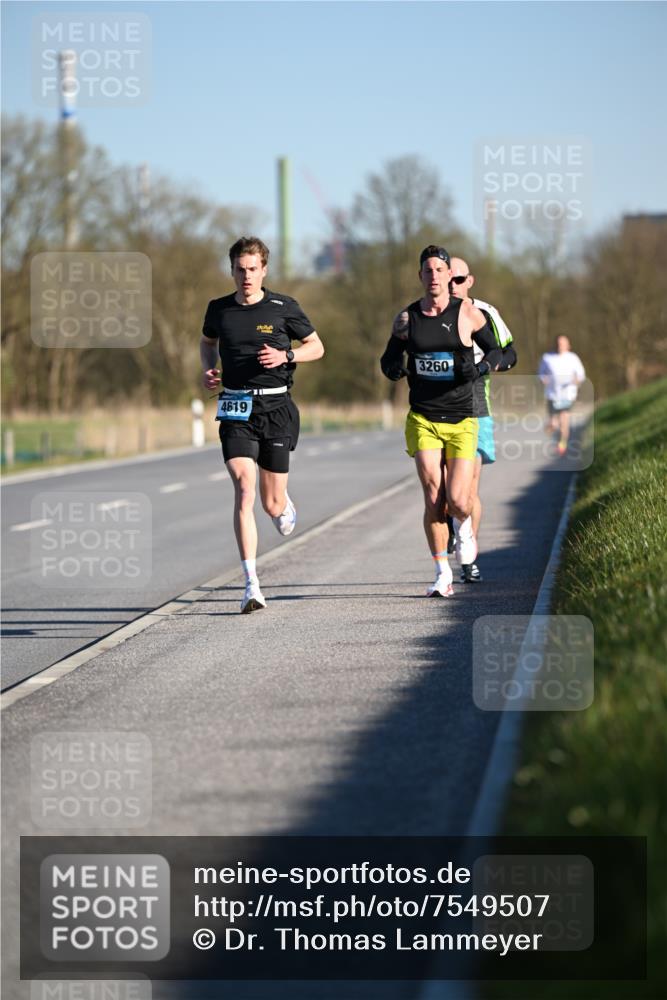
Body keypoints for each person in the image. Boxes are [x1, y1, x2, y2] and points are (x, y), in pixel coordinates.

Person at [200, 236, 324, 613]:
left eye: (253, 269)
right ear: (232, 271)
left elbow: (317, 347)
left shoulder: (283, 307)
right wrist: (209, 368)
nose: (246, 276)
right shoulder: (219, 309)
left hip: (276, 409)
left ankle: (282, 504)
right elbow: (207, 342)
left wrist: (287, 353)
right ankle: (251, 584)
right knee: (243, 487)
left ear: (264, 270)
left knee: (271, 504)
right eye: (240, 269)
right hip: (236, 408)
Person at [380, 246, 505, 598]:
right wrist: (392, 368)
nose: (433, 276)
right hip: (424, 417)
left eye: (439, 269)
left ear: (449, 275)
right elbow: (388, 358)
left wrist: (479, 368)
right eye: (427, 270)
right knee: (434, 498)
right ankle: (441, 573)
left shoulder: (467, 312)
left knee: (459, 501)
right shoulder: (407, 319)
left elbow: (496, 351)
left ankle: (463, 527)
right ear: (420, 276)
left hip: (463, 418)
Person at [447, 257, 517, 582]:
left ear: (469, 281)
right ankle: (453, 526)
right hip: (438, 401)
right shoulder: (430, 312)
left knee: (469, 488)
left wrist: (487, 366)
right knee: (446, 489)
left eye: (458, 280)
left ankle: (468, 560)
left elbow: (510, 353)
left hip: (476, 397)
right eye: (448, 279)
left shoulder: (485, 312)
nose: (452, 286)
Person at [538, 336, 585, 455]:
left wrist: (576, 381)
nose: (561, 345)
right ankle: (552, 426)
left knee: (564, 419)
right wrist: (543, 379)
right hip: (552, 395)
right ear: (555, 344)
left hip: (568, 395)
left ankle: (562, 443)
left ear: (568, 345)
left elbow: (581, 375)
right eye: (559, 343)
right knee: (553, 423)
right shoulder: (547, 357)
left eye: (563, 343)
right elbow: (540, 373)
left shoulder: (573, 358)